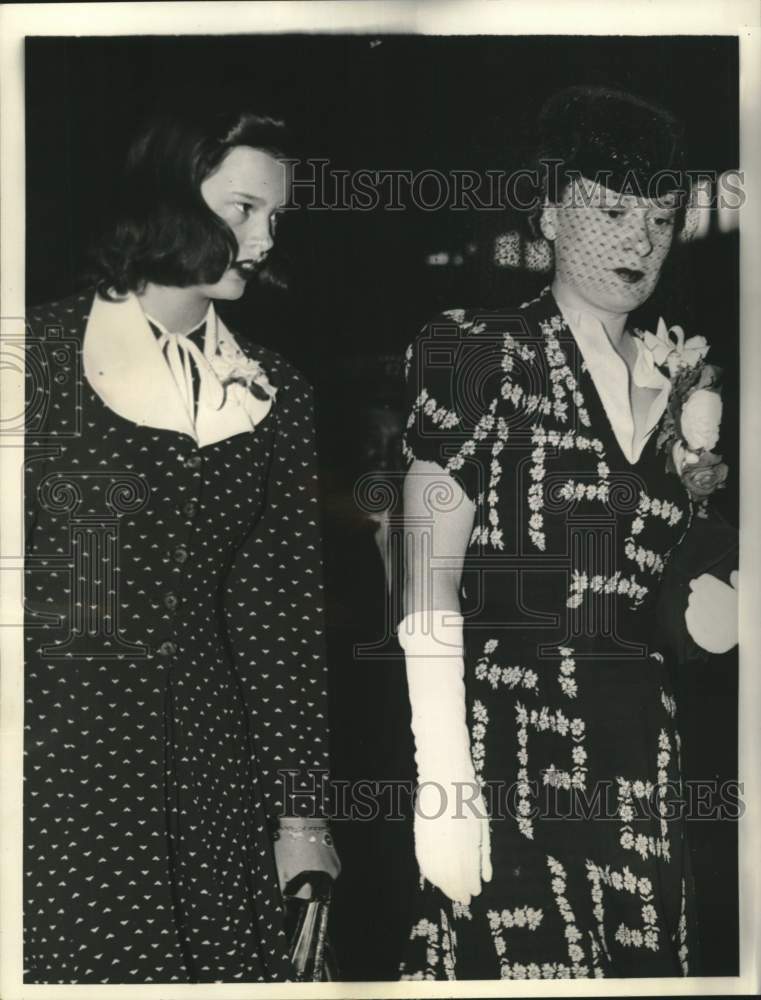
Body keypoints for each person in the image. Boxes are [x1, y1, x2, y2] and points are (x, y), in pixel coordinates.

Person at [397, 86, 737, 980]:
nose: (638, 239)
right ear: (548, 213)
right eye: (612, 210)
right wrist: (443, 781)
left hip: (642, 769)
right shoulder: (478, 351)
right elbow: (422, 579)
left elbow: (680, 598)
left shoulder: (684, 382)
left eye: (660, 218)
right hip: (505, 752)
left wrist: (718, 602)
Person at [23, 109, 339, 985]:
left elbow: (280, 628)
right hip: (55, 772)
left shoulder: (278, 396)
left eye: (275, 218)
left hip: (211, 774)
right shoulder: (36, 357)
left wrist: (302, 821)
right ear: (166, 200)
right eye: (242, 209)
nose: (263, 238)